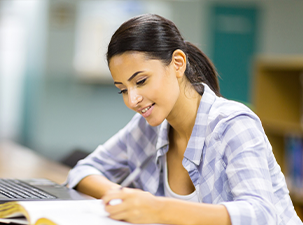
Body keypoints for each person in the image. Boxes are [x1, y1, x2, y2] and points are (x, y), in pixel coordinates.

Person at [66, 14, 302, 225]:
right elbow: (83, 171)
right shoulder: (147, 127)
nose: (132, 100)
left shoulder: (233, 123)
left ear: (178, 63)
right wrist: (127, 199)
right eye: (123, 89)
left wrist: (158, 209)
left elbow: (260, 215)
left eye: (140, 81)